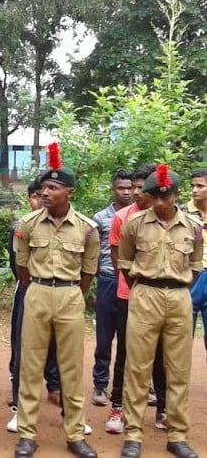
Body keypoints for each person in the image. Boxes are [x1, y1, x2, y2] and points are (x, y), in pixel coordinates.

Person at [13, 143, 99, 458]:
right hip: (36, 292)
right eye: (44, 187)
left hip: (70, 295)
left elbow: (88, 272)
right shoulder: (28, 224)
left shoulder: (88, 230)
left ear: (70, 192)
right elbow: (22, 267)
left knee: (71, 369)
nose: (46, 192)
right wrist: (38, 288)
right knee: (31, 367)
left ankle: (75, 435)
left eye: (54, 187)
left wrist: (70, 292)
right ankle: (27, 435)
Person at [118, 165, 202, 458]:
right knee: (138, 367)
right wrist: (146, 287)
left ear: (176, 195)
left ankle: (177, 434)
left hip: (179, 297)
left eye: (165, 197)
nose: (159, 203)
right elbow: (125, 263)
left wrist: (175, 288)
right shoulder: (135, 224)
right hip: (145, 295)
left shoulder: (193, 227)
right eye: (154, 197)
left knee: (178, 369)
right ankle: (133, 435)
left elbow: (195, 265)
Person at [105, 163, 167, 434]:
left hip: (162, 298)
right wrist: (137, 286)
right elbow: (118, 258)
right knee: (126, 353)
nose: (137, 193)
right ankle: (117, 407)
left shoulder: (169, 218)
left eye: (143, 188)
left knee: (160, 354)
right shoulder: (123, 218)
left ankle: (163, 409)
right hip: (128, 294)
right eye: (135, 187)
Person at [6, 177, 61, 433]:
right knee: (23, 350)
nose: (41, 199)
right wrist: (33, 288)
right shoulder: (21, 227)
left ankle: (63, 401)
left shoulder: (68, 226)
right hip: (29, 292)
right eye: (36, 195)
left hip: (60, 295)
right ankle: (19, 408)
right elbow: (17, 266)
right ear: (29, 199)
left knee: (61, 349)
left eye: (47, 193)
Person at [91, 169, 133, 406]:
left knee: (131, 337)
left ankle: (129, 384)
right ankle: (100, 384)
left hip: (132, 281)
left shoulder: (140, 216)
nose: (126, 192)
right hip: (108, 280)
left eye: (129, 188)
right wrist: (97, 286)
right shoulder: (100, 218)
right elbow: (93, 255)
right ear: (113, 189)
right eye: (121, 188)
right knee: (104, 337)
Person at [182, 168, 207, 355]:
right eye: (193, 186)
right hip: (190, 275)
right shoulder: (182, 212)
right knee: (181, 336)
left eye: (200, 186)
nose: (194, 190)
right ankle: (175, 383)